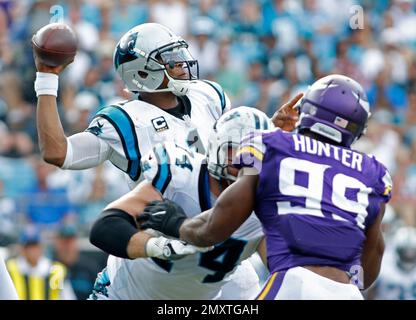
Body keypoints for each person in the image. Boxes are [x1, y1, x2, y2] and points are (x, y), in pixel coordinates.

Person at [139, 74, 393, 300]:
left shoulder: (269, 145)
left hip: (294, 284)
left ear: (308, 109)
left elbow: (213, 229)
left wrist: (175, 223)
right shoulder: (373, 173)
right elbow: (367, 273)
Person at [88, 107, 274, 300]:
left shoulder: (264, 208)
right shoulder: (181, 176)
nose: (250, 160)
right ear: (217, 146)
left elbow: (285, 269)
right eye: (240, 149)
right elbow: (105, 227)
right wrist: (160, 247)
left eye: (259, 152)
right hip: (124, 294)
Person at [6, 226, 76, 300]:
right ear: (22, 248)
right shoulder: (10, 269)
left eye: (34, 246)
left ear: (41, 247)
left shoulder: (56, 271)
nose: (32, 251)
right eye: (28, 246)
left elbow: (68, 297)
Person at [52, 224, 102, 300]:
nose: (67, 247)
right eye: (64, 242)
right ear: (57, 244)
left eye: (70, 242)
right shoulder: (49, 268)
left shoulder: (89, 268)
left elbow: (100, 294)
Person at [370, 226, 416, 300]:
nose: (409, 256)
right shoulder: (383, 267)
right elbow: (370, 293)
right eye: (405, 252)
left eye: (413, 252)